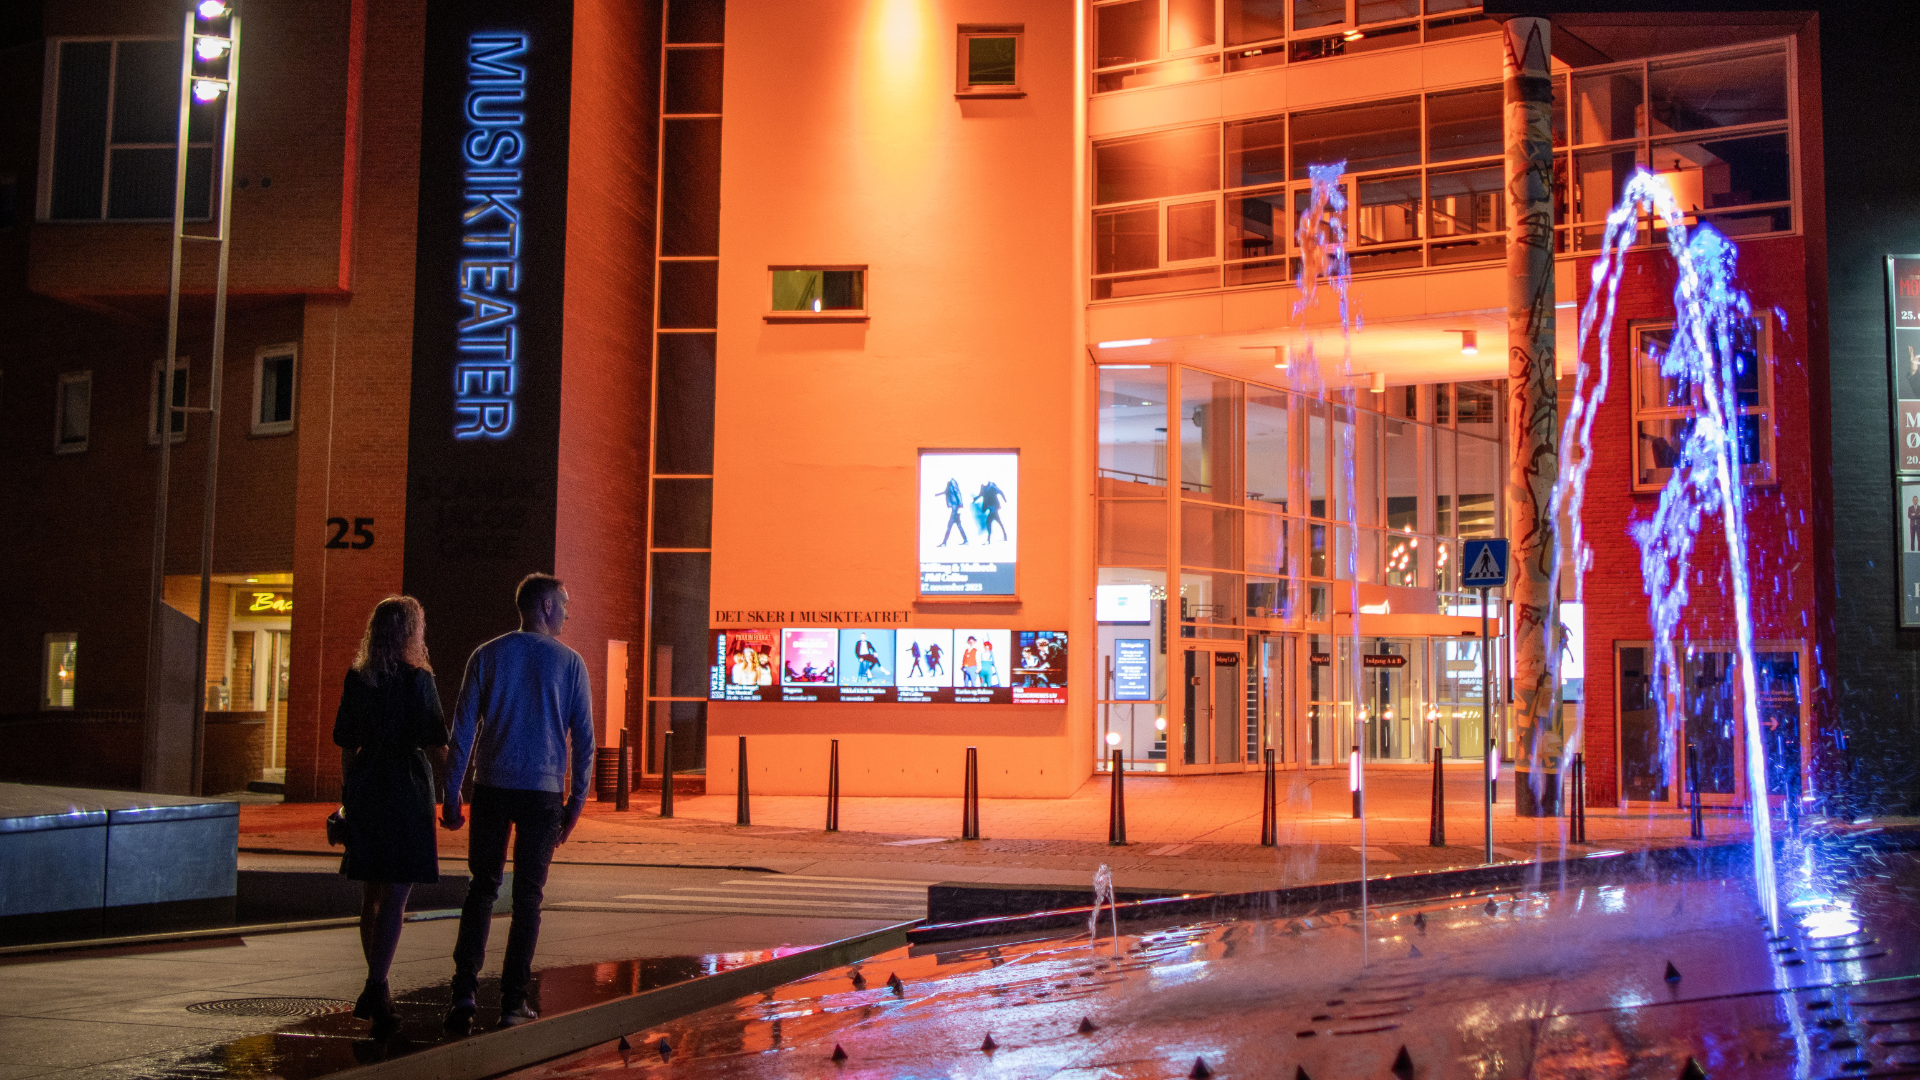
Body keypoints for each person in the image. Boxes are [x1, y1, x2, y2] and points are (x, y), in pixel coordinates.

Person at [441, 573, 595, 1030]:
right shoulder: (570, 665)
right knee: (529, 896)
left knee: (481, 889)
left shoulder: (486, 656)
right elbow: (584, 742)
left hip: (492, 787)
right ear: (545, 606)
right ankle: (513, 1000)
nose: (568, 611)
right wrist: (577, 803)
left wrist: (451, 795)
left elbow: (462, 731)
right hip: (543, 792)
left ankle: (464, 994)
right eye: (564, 603)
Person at [334, 596, 447, 1038]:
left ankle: (378, 989)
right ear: (409, 632)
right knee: (397, 895)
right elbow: (437, 742)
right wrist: (455, 787)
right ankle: (376, 984)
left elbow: (346, 743)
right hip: (406, 787)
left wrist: (349, 796)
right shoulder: (419, 680)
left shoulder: (358, 678)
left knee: (372, 891)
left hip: (367, 786)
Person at [936, 478, 968, 546]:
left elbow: (958, 494)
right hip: (954, 507)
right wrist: (937, 494)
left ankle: (944, 543)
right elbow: (946, 492)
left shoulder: (953, 483)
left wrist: (960, 506)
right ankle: (966, 540)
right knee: (959, 525)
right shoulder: (949, 483)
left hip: (955, 507)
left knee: (949, 525)